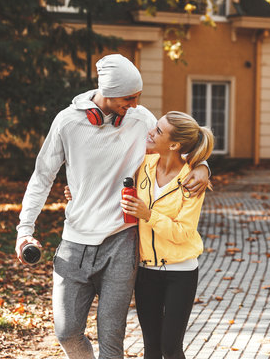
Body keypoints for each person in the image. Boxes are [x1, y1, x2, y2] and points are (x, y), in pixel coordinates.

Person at [15, 54, 210, 359]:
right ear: (108, 91)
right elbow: (42, 176)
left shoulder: (140, 118)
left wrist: (203, 166)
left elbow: (176, 143)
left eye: (138, 97)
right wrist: (24, 230)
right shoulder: (67, 123)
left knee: (111, 339)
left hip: (121, 242)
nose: (134, 104)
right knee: (66, 332)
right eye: (129, 97)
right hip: (75, 243)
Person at [66, 111, 214, 359]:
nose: (150, 132)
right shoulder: (144, 165)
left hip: (180, 272)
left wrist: (149, 215)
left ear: (175, 144)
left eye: (158, 131)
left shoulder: (191, 181)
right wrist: (80, 195)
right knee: (152, 349)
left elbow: (183, 233)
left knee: (170, 347)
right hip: (145, 271)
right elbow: (109, 182)